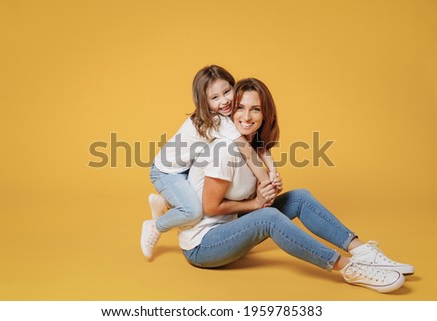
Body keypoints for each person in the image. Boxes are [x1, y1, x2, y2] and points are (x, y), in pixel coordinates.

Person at [177, 78, 414, 293]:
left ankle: (363, 252)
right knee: (268, 217)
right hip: (203, 246)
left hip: (231, 231)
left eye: (255, 109)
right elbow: (210, 207)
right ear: (230, 111)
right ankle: (349, 268)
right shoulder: (224, 149)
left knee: (298, 197)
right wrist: (257, 203)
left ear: (265, 115)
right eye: (240, 108)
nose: (247, 117)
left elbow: (248, 204)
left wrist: (266, 193)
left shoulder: (254, 149)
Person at [141, 66, 278, 259]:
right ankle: (156, 226)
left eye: (227, 92)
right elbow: (247, 152)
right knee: (193, 211)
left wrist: (272, 169)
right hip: (166, 171)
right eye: (215, 98)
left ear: (234, 86)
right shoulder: (216, 120)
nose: (224, 101)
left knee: (199, 195)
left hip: (185, 168)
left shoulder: (230, 116)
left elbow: (256, 144)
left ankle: (165, 201)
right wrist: (267, 184)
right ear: (204, 102)